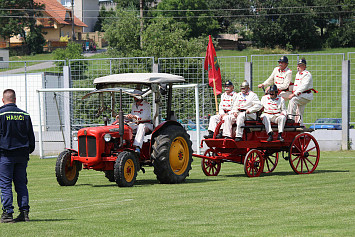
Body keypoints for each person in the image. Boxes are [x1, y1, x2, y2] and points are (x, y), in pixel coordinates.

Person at [0, 89, 35, 223]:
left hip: (5, 155)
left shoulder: (1, 114)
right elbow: (31, 137)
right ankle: (24, 213)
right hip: (22, 155)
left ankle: (8, 214)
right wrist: (28, 150)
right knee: (21, 184)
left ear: (3, 100)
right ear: (15, 99)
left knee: (5, 185)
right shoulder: (25, 115)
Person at [288, 58, 315, 126]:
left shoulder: (307, 74)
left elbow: (304, 86)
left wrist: (294, 94)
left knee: (293, 100)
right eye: (298, 65)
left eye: (301, 65)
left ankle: (290, 119)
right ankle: (300, 124)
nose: (299, 67)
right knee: (300, 111)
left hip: (305, 95)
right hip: (301, 95)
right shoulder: (298, 74)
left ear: (305, 66)